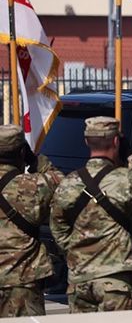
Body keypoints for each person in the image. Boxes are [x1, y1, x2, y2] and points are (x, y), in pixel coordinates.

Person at [50, 116, 132, 313]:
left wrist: (73, 251)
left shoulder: (68, 183)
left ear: (86, 141)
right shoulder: (127, 179)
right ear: (115, 141)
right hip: (115, 278)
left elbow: (57, 226)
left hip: (80, 279)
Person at [0, 125, 63, 317]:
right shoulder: (35, 185)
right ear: (22, 152)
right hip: (23, 280)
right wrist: (37, 161)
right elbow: (63, 184)